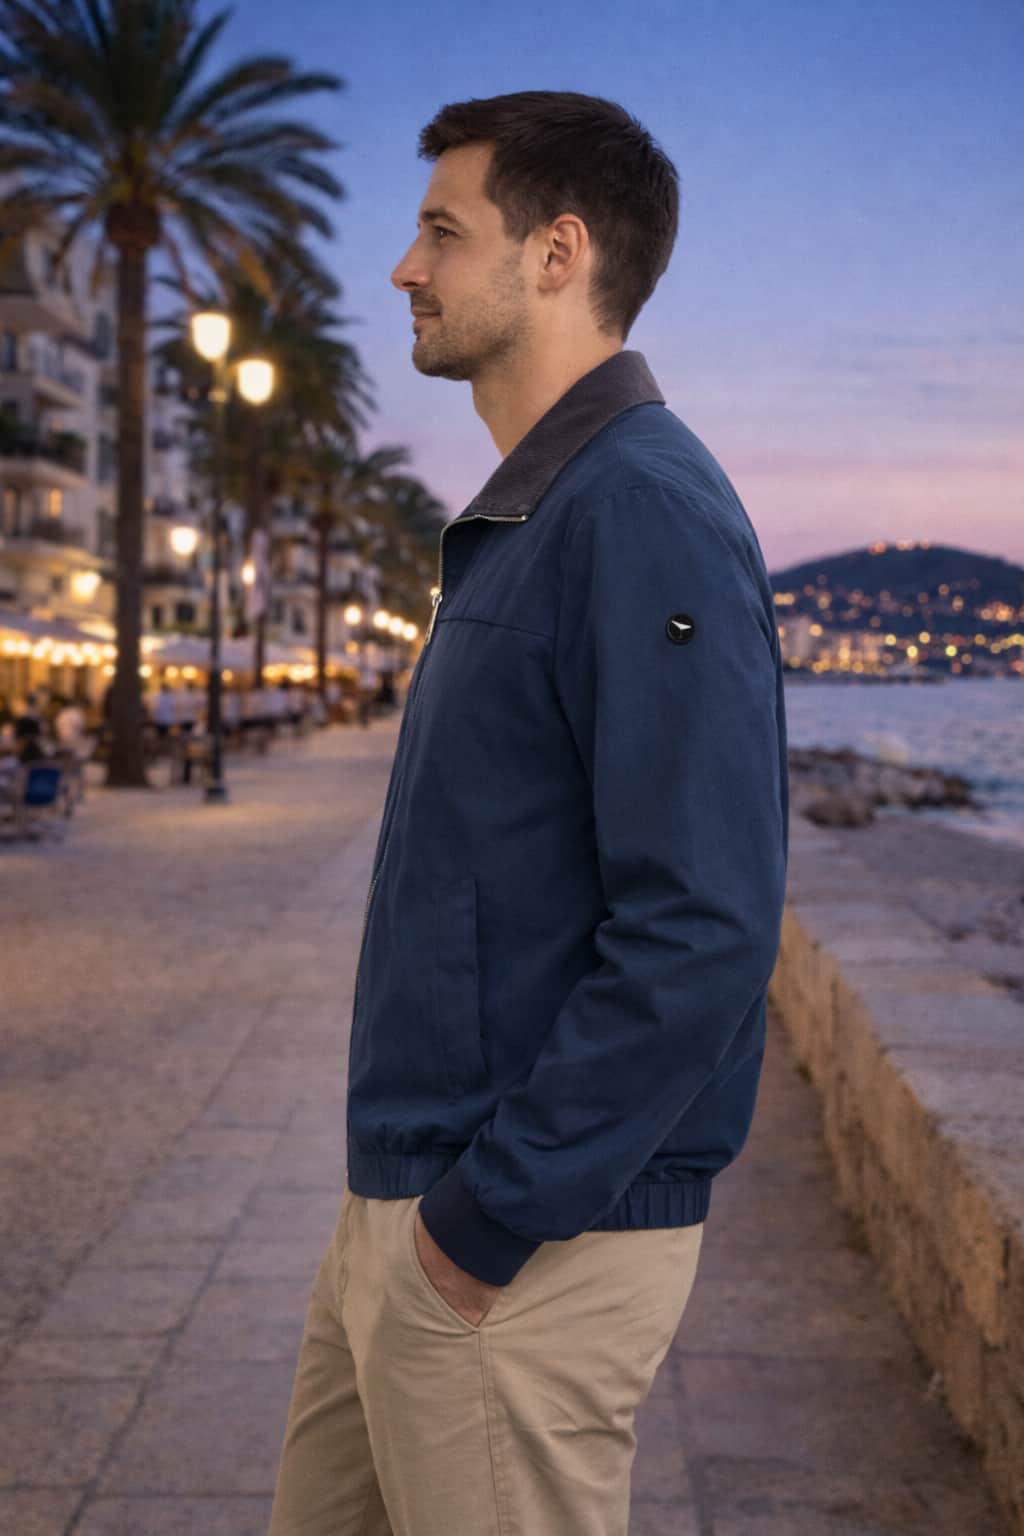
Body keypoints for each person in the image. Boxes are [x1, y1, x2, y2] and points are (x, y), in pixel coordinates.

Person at [268, 91, 789, 1536]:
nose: (405, 269)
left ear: (558, 254)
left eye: (443, 231)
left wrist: (481, 1224)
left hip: (516, 1248)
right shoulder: (536, 516)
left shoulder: (639, 509)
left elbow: (706, 923)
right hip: (411, 1203)